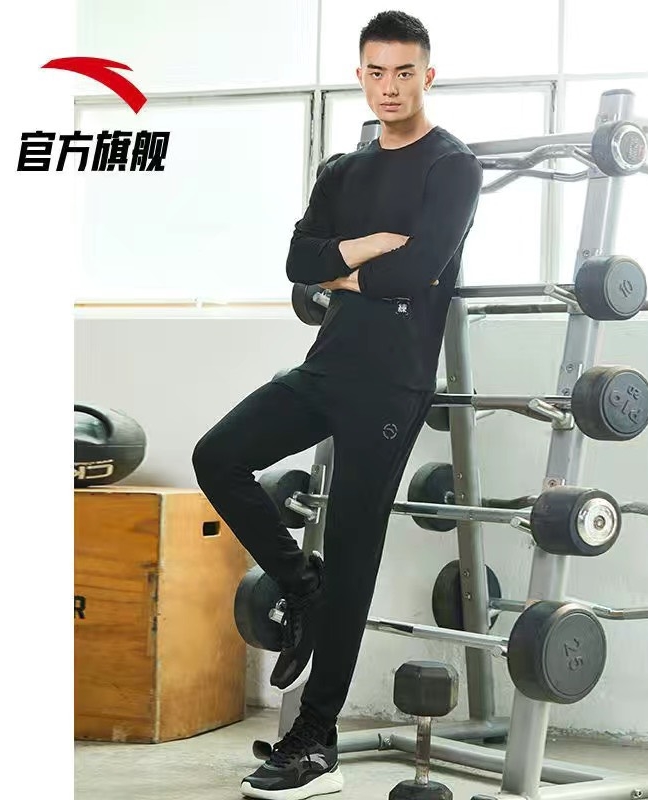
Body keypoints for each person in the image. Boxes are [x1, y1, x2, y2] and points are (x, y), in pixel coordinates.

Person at [192, 9, 483, 800]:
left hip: (392, 383)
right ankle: (300, 583)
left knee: (355, 551)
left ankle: (315, 741)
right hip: (326, 367)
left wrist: (342, 266)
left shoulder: (453, 167)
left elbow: (418, 271)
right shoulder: (342, 171)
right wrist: (366, 251)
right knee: (217, 456)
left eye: (405, 72)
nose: (390, 87)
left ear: (428, 75)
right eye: (376, 72)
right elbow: (299, 260)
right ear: (360, 75)